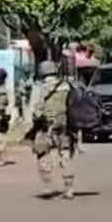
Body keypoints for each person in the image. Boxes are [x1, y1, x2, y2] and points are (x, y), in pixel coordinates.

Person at [28, 60, 76, 199]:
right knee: (65, 154)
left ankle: (48, 185)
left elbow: (35, 110)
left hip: (46, 127)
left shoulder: (40, 88)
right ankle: (69, 188)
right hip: (64, 126)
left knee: (42, 153)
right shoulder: (67, 86)